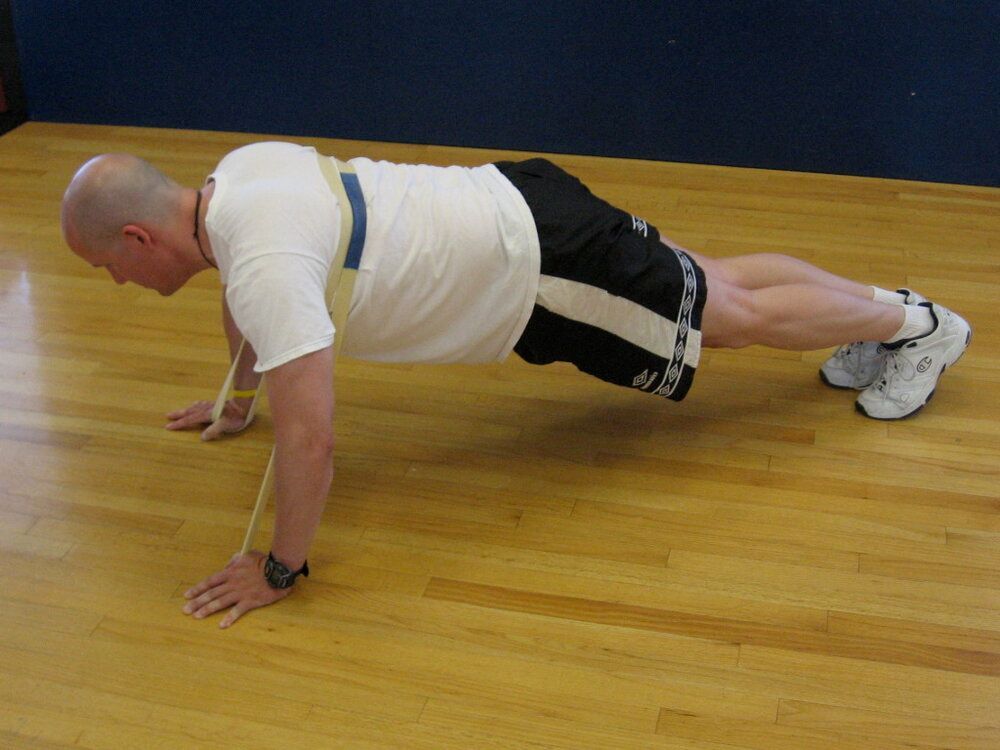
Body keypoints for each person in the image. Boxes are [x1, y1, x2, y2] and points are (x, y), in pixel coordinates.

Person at [60, 143, 972, 628]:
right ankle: (892, 317)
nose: (116, 284)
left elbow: (315, 442)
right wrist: (241, 397)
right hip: (522, 199)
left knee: (729, 319)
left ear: (138, 240)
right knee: (717, 280)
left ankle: (919, 329)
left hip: (540, 269)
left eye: (107, 266)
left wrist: (279, 568)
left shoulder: (257, 263)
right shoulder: (236, 180)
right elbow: (257, 304)